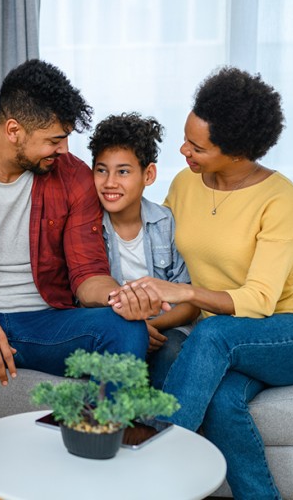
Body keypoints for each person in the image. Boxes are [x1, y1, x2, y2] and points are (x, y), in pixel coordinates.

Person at [111, 67, 293, 499]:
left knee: (212, 334)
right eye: (185, 138)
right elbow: (164, 262)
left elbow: (260, 299)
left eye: (197, 147)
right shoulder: (185, 183)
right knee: (218, 399)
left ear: (237, 152)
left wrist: (189, 293)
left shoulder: (280, 198)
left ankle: (150, 470)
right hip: (229, 337)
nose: (183, 152)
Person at [0, 59, 158, 386]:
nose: (64, 149)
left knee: (125, 328)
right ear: (14, 130)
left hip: (49, 326)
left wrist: (120, 299)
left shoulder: (73, 176)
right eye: (54, 140)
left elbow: (87, 275)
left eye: (65, 138)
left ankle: (104, 436)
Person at [87, 113, 199, 389]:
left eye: (123, 171)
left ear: (148, 174)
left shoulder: (166, 223)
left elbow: (190, 303)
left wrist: (152, 326)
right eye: (101, 170)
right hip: (112, 329)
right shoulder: (86, 227)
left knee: (172, 352)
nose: (110, 182)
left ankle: (154, 429)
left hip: (164, 328)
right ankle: (110, 427)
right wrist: (132, 331)